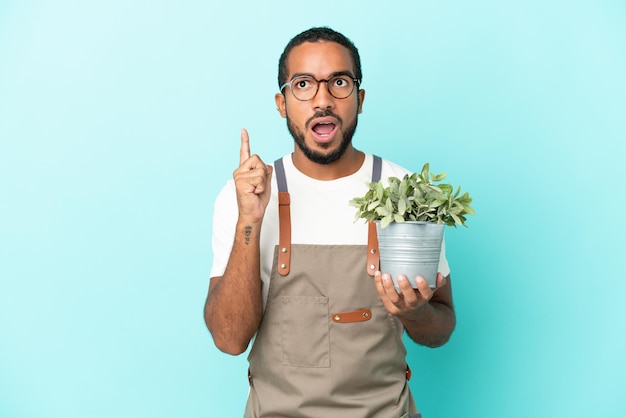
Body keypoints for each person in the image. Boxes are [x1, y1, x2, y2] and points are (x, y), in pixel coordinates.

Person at [204, 26, 456, 418]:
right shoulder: (245, 197)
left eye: (339, 82)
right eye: (303, 84)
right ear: (282, 102)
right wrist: (248, 222)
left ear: (360, 98)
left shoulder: (407, 192)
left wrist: (413, 311)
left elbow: (441, 327)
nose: (323, 100)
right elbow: (229, 338)